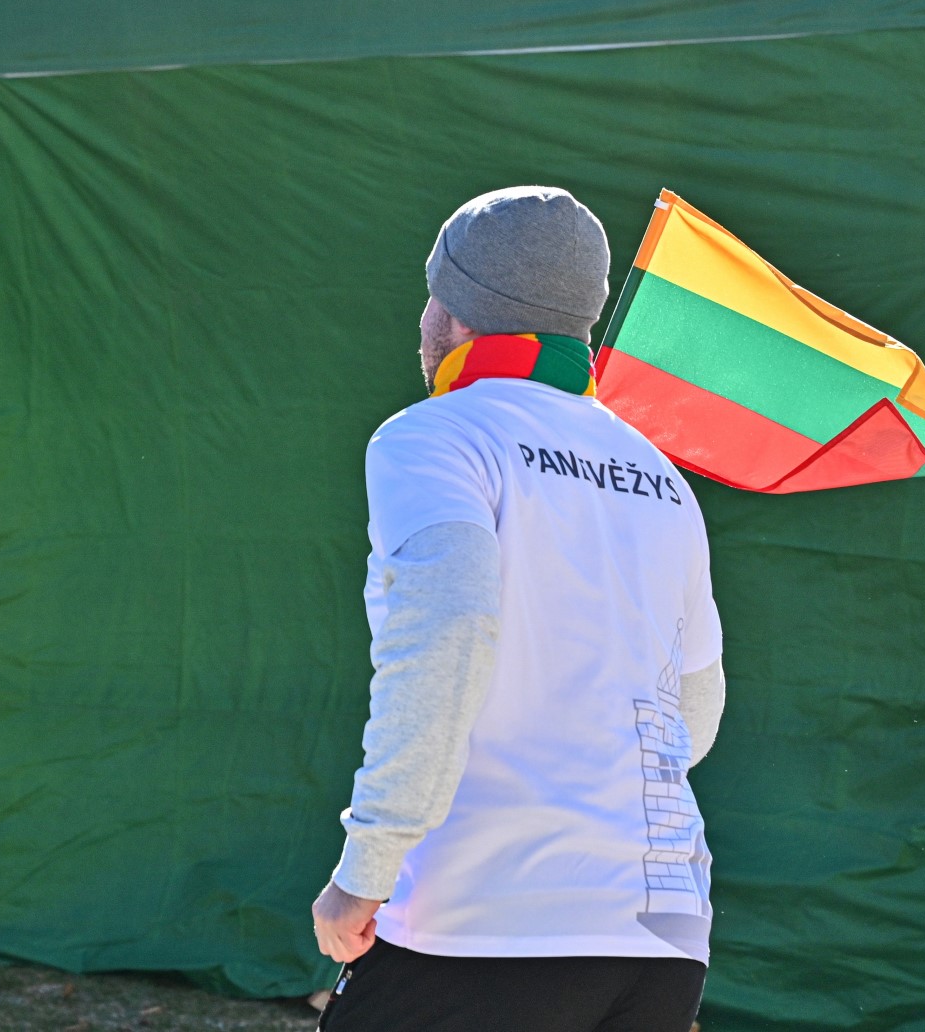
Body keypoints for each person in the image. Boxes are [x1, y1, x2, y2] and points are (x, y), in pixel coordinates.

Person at [311, 187, 726, 1032]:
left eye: (432, 295)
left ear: (456, 313)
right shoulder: (659, 475)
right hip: (661, 933)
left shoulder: (433, 436)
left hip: (484, 919)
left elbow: (450, 629)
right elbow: (696, 707)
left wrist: (368, 865)